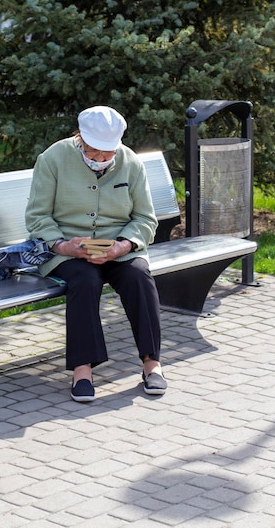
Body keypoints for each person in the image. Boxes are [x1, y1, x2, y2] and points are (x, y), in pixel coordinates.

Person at [25, 105, 167, 402]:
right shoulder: (53, 159)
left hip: (118, 247)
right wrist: (63, 246)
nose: (101, 160)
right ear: (80, 138)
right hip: (66, 249)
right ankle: (82, 370)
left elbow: (145, 218)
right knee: (84, 281)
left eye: (108, 154)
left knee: (139, 276)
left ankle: (152, 363)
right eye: (94, 153)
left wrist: (124, 246)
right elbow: (38, 217)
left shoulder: (131, 163)